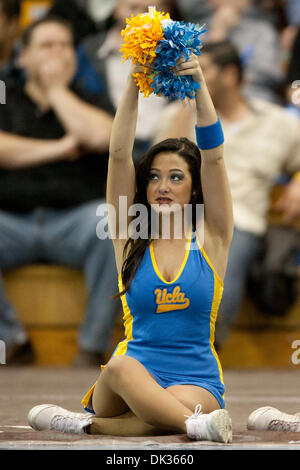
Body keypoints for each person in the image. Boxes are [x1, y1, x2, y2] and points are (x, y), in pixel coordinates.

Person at [27, 52, 234, 442]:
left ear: (194, 190)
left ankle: (86, 424)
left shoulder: (213, 237)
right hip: (122, 385)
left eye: (176, 177)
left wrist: (201, 87)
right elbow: (119, 154)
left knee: (165, 407)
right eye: (154, 177)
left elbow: (216, 159)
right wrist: (132, 85)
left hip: (193, 380)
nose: (162, 186)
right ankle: (191, 425)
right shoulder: (129, 235)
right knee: (121, 367)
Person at [153, 41, 300, 350]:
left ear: (230, 74)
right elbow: (157, 171)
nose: (191, 75)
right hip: (178, 220)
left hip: (240, 221)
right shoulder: (177, 115)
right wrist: (188, 108)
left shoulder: (278, 122)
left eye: (202, 69)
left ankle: (204, 349)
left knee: (223, 243)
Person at [0, 16, 121, 366]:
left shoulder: (91, 96)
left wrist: (56, 91)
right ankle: (12, 340)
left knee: (114, 221)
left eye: (64, 46)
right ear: (24, 57)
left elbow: (102, 137)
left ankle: (91, 347)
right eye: (46, 46)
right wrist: (61, 148)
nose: (57, 54)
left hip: (75, 221)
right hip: (11, 220)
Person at [81, 0, 183, 162]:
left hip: (165, 145)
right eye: (133, 7)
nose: (142, 15)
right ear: (115, 9)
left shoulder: (178, 50)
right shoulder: (90, 51)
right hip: (104, 152)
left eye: (152, 9)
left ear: (166, 12)